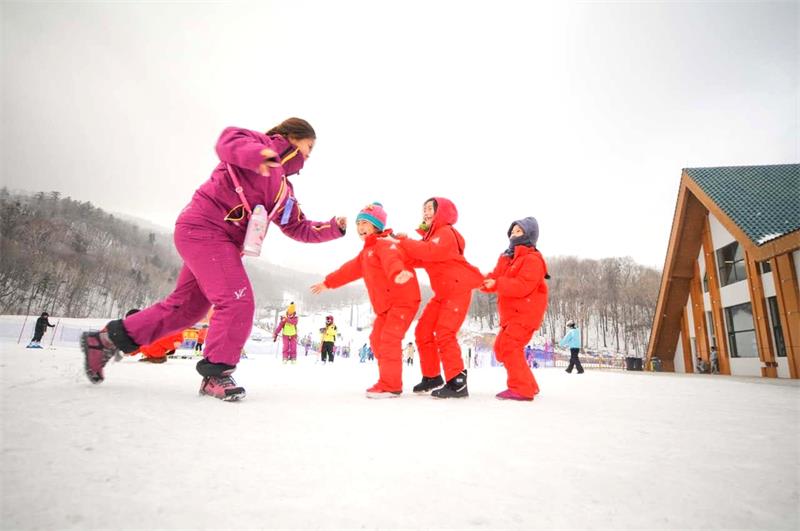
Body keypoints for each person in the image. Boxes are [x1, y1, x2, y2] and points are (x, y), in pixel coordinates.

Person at [79, 118, 347, 401]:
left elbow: (297, 227)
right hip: (203, 229)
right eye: (308, 147)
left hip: (222, 244)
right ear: (292, 137)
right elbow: (227, 142)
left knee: (188, 309)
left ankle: (105, 340)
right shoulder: (258, 144)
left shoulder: (283, 190)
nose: (308, 156)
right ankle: (216, 373)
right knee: (237, 299)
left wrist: (333, 228)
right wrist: (260, 156)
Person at [312, 203, 420, 397]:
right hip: (386, 307)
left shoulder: (385, 244)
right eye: (358, 223)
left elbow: (392, 260)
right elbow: (348, 270)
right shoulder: (367, 252)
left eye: (365, 223)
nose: (360, 227)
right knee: (376, 340)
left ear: (376, 225)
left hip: (403, 301)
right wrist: (328, 283)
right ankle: (387, 377)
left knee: (388, 339)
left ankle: (391, 385)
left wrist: (398, 272)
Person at [387, 197, 483, 399]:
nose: (426, 213)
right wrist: (396, 246)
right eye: (424, 209)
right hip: (442, 294)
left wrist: (406, 242)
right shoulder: (431, 238)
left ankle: (457, 382)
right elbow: (419, 257)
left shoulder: (446, 233)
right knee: (423, 331)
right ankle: (432, 376)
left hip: (457, 291)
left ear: (442, 212)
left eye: (430, 208)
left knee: (444, 333)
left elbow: (430, 252)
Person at [481, 217, 548, 401]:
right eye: (512, 231)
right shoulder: (506, 257)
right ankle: (529, 384)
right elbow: (496, 276)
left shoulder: (533, 259)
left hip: (526, 314)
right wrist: (484, 282)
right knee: (501, 348)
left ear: (529, 235)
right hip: (510, 315)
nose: (513, 234)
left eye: (518, 231)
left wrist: (497, 283)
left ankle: (521, 389)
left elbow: (522, 286)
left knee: (510, 346)